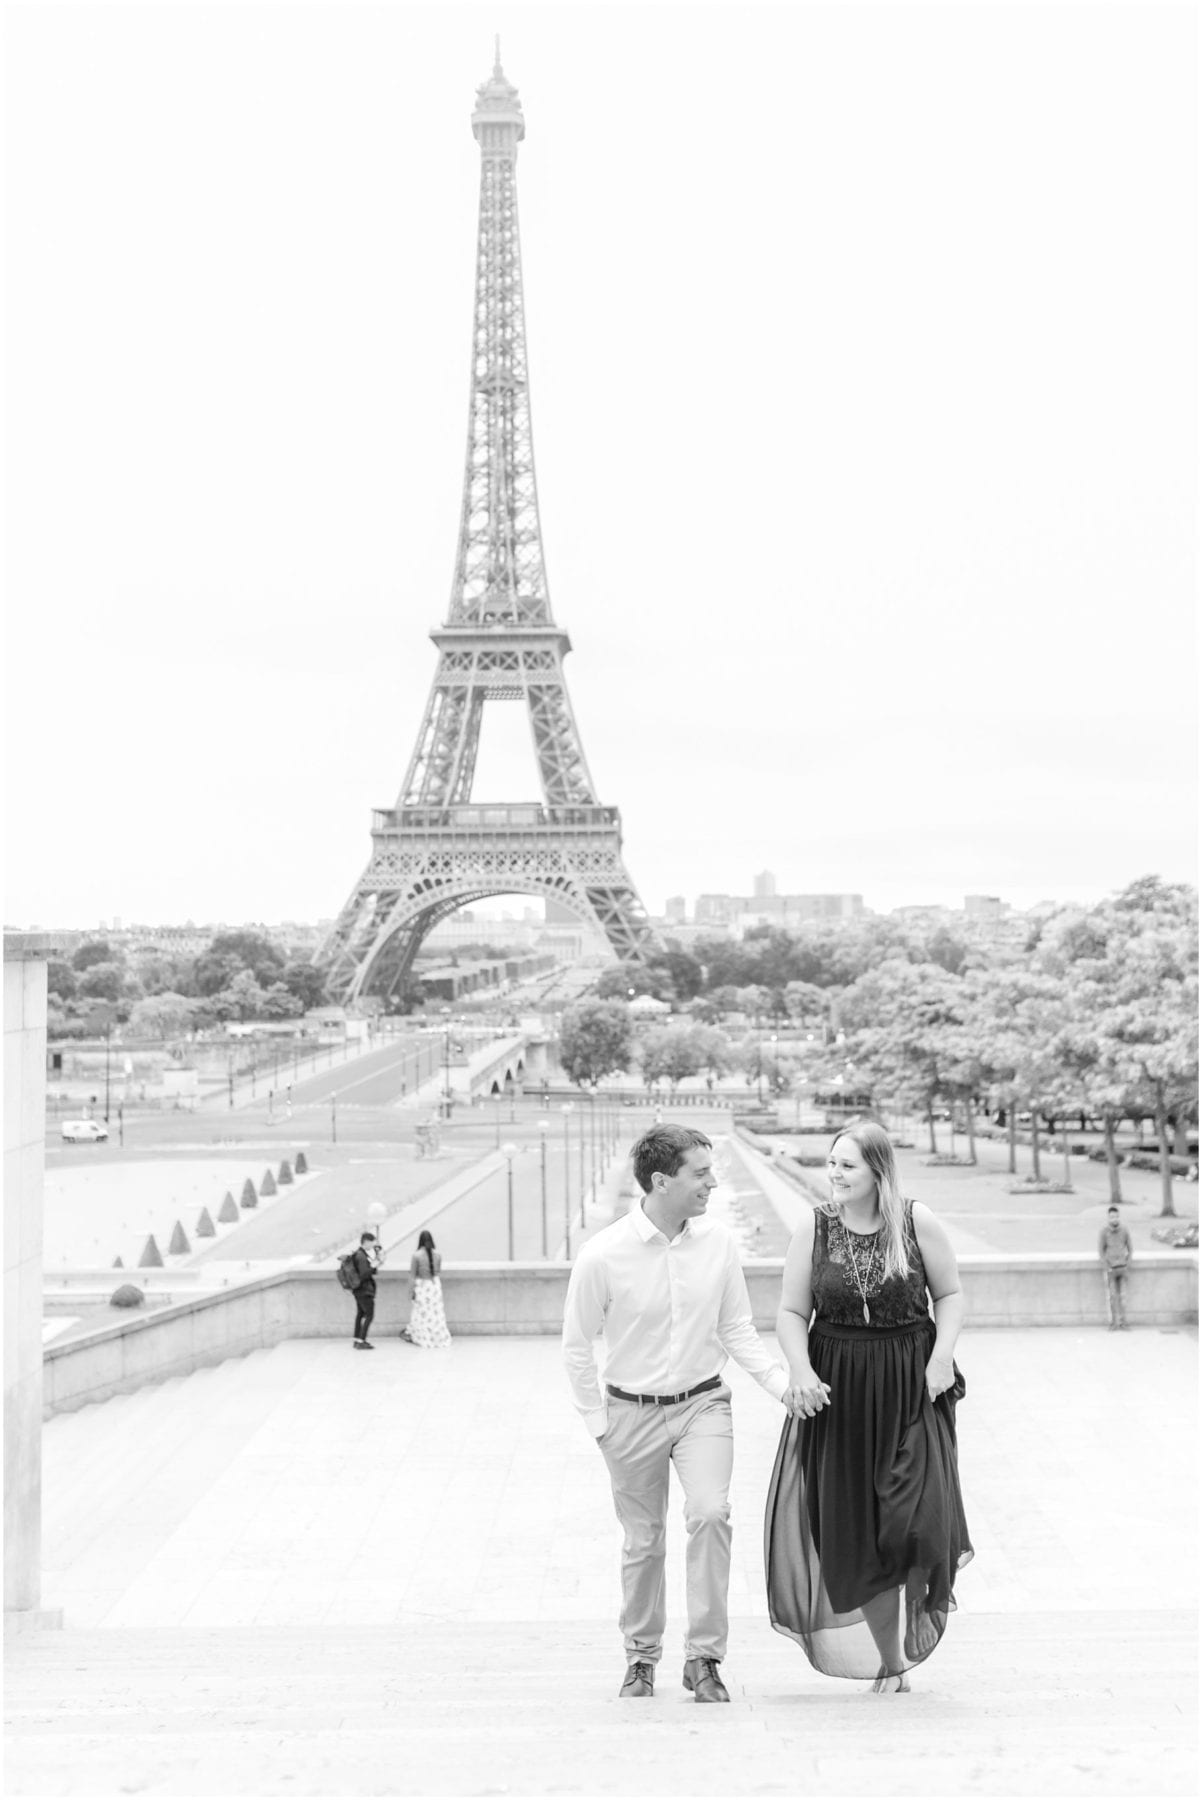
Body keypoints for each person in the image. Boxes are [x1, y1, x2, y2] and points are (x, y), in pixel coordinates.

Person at [563, 1124, 791, 1704]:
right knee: (644, 1543)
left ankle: (704, 1659)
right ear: (661, 1180)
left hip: (702, 1403)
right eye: (701, 1173)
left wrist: (778, 1384)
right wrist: (598, 1423)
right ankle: (641, 1659)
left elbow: (735, 1325)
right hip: (628, 1415)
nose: (712, 1182)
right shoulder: (602, 1255)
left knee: (711, 1513)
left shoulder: (717, 1242)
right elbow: (576, 1343)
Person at [765, 1120, 973, 1692]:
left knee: (915, 1523)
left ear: (878, 1170)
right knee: (857, 1532)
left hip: (911, 1385)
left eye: (847, 1165)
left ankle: (907, 1630)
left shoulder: (913, 1222)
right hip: (839, 1392)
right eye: (831, 1163)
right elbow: (789, 1313)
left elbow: (950, 1295)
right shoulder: (814, 1227)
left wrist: (942, 1357)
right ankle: (892, 1662)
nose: (834, 1174)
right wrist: (800, 1370)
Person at [404, 1228, 451, 1349]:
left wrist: (411, 1291)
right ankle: (438, 1338)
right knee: (436, 1313)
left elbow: (412, 1275)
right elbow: (438, 1271)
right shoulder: (438, 1255)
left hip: (422, 1286)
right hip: (435, 1286)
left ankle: (423, 1337)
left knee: (422, 1313)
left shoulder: (416, 1255)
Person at [1098, 1204, 1133, 1330]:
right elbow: (1101, 1251)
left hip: (1122, 1268)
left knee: (1123, 1297)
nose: (1114, 1219)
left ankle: (1124, 1322)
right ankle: (1113, 1323)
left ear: (1119, 1217)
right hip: (1110, 1269)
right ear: (1108, 1218)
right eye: (1112, 1217)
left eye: (1116, 1216)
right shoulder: (1104, 1232)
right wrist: (1106, 1266)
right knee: (1112, 1297)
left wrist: (1127, 1264)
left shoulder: (1124, 1230)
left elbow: (1130, 1249)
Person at [350, 1231, 384, 1350]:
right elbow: (364, 1273)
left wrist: (375, 1263)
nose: (372, 1246)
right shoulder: (361, 1256)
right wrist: (376, 1263)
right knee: (369, 1315)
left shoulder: (359, 1254)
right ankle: (361, 1340)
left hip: (358, 1289)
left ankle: (356, 1339)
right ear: (366, 1242)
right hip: (364, 1290)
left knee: (360, 1314)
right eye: (371, 1243)